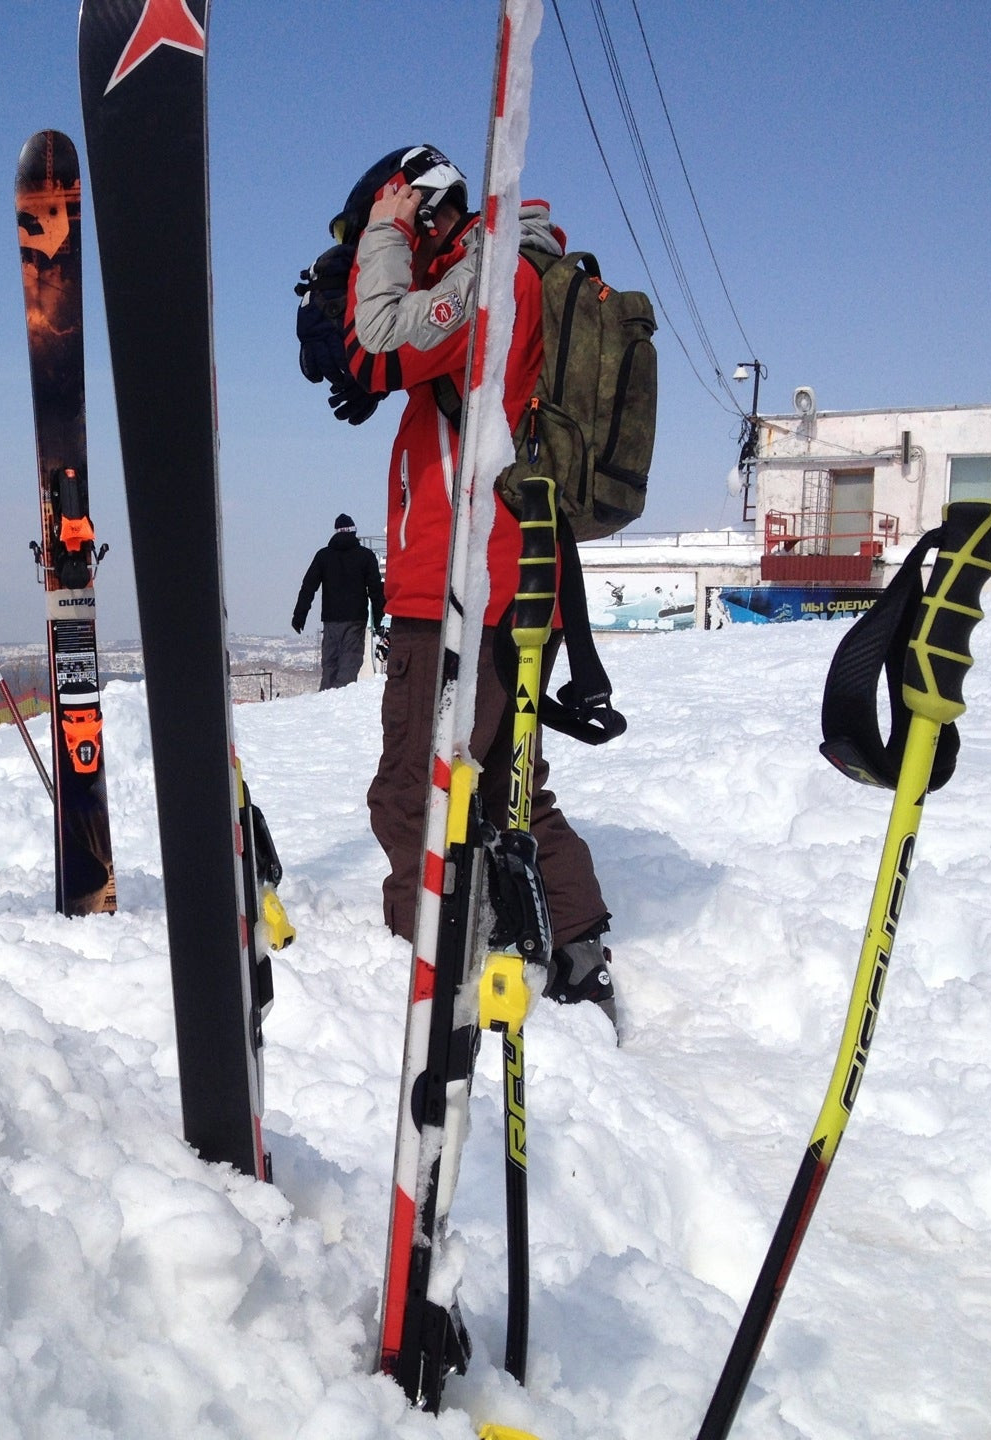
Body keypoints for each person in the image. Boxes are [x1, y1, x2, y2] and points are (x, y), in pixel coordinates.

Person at [342, 144, 617, 1024]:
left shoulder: (494, 278)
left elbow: (380, 339)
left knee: (414, 791)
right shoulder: (495, 280)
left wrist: (385, 231)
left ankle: (431, 973)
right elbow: (381, 355)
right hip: (493, 581)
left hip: (460, 590)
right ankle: (575, 951)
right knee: (506, 782)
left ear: (424, 209)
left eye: (395, 222)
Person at [291, 513, 384, 690]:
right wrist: (379, 619)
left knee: (330, 666)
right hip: (355, 619)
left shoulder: (323, 556)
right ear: (353, 532)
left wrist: (299, 616)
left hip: (331, 620)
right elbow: (376, 590)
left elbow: (308, 587)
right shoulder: (365, 556)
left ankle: (325, 703)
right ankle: (338, 707)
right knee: (349, 664)